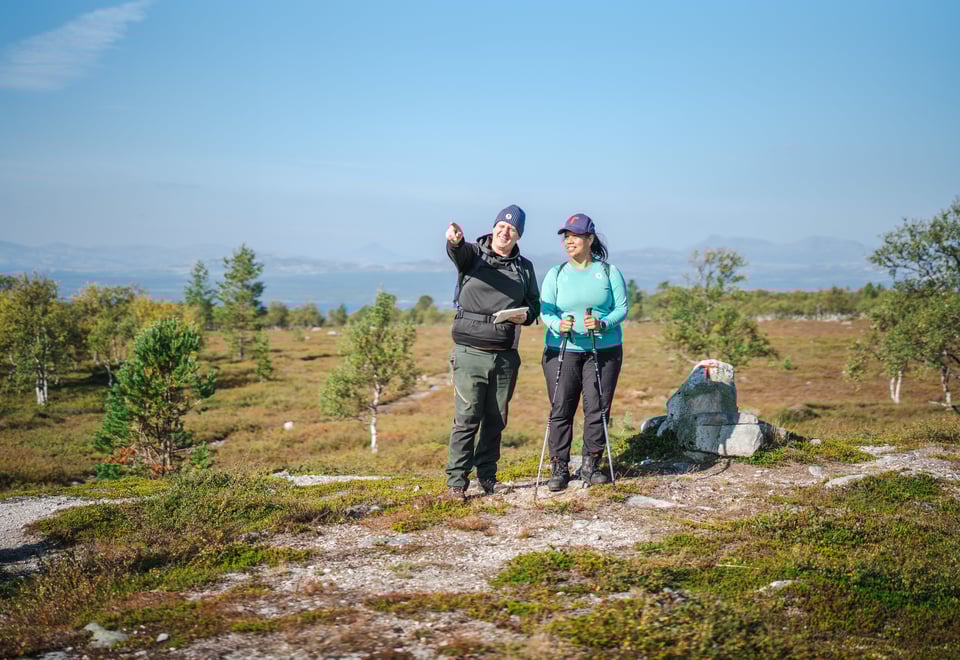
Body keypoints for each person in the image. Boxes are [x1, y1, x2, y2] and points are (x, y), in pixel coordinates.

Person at [444, 204, 541, 500]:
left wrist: (527, 315)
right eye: (502, 225)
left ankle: (487, 477)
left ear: (518, 235)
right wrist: (455, 241)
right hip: (469, 351)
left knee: (496, 418)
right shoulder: (473, 254)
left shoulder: (524, 267)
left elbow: (534, 304)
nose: (505, 231)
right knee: (468, 416)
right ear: (494, 226)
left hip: (504, 354)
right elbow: (456, 253)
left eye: (512, 229)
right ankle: (457, 482)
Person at [540, 213, 628, 490]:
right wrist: (558, 324)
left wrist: (603, 322)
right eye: (566, 237)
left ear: (589, 239)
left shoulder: (610, 272)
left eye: (575, 236)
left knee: (597, 409)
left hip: (603, 350)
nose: (569, 241)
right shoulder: (556, 274)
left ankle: (591, 464)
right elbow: (547, 310)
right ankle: (559, 467)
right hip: (562, 348)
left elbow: (621, 308)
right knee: (561, 408)